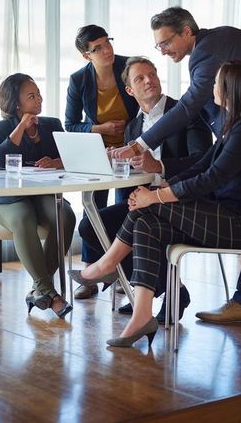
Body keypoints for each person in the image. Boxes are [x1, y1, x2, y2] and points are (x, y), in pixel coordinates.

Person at [114, 7, 241, 321]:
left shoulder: (210, 48)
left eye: (166, 42)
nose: (163, 50)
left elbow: (189, 106)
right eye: (159, 45)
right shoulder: (209, 47)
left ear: (187, 32)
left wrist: (141, 143)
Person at [70, 60, 241, 347]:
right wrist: (164, 185)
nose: (212, 88)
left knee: (146, 208)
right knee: (146, 221)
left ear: (232, 89)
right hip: (225, 216)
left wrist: (155, 195)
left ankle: (105, 264)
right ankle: (142, 313)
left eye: (217, 83)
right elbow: (203, 167)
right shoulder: (236, 126)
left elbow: (211, 178)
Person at [75, 56, 212, 319]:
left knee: (138, 226)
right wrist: (115, 160)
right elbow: (133, 174)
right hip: (147, 202)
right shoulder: (133, 127)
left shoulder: (186, 113)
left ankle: (148, 292)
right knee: (91, 225)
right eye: (140, 78)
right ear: (129, 90)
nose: (149, 80)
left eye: (152, 74)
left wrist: (159, 165)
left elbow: (204, 161)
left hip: (181, 199)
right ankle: (166, 288)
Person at [0, 73, 75, 318]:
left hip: (41, 195)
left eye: (39, 94)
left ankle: (38, 290)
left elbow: (71, 156)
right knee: (23, 216)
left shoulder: (52, 124)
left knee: (65, 216)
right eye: (31, 96)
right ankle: (49, 292)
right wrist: (21, 127)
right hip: (5, 199)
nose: (39, 99)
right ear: (16, 103)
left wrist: (56, 162)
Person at [64, 25, 138, 300]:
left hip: (131, 150)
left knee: (125, 209)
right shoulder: (79, 80)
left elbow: (146, 104)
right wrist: (101, 129)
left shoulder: (128, 67)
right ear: (86, 56)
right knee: (93, 208)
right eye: (98, 48)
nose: (107, 50)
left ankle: (124, 273)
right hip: (98, 153)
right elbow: (70, 124)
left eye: (108, 43)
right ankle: (90, 273)